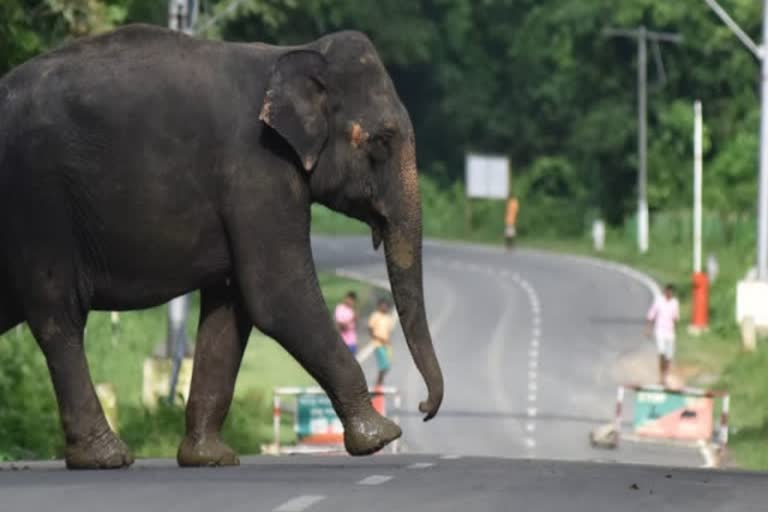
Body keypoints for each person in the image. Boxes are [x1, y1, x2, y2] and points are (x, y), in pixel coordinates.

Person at [645, 284, 680, 386]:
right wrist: (648, 328)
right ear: (665, 291)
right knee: (661, 353)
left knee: (669, 357)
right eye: (667, 292)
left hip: (670, 333)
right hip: (660, 331)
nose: (669, 294)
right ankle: (661, 376)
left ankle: (665, 376)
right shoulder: (659, 301)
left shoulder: (675, 303)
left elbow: (676, 318)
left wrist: (675, 330)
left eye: (671, 292)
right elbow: (652, 314)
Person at [368, 298, 396, 387]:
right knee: (383, 365)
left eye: (386, 306)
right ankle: (378, 383)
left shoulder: (388, 318)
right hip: (378, 344)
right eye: (382, 306)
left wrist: (387, 341)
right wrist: (380, 338)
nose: (384, 307)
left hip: (386, 345)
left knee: (387, 366)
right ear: (379, 306)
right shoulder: (375, 316)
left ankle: (379, 382)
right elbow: (370, 330)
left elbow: (389, 331)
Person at [334, 291, 358, 355]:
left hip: (352, 342)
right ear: (345, 298)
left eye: (352, 300)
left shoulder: (352, 310)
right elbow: (340, 326)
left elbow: (354, 326)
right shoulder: (340, 308)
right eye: (349, 299)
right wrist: (351, 320)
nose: (350, 302)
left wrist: (355, 319)